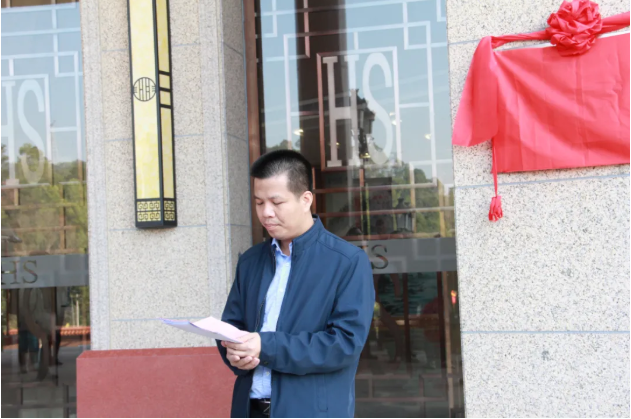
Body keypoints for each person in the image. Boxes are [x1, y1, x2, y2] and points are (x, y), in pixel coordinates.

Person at [217, 150, 375, 418]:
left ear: (306, 200)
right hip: (249, 409)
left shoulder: (346, 261)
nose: (266, 213)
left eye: (276, 202)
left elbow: (345, 344)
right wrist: (234, 355)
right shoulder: (250, 261)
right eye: (259, 203)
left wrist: (265, 346)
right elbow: (232, 326)